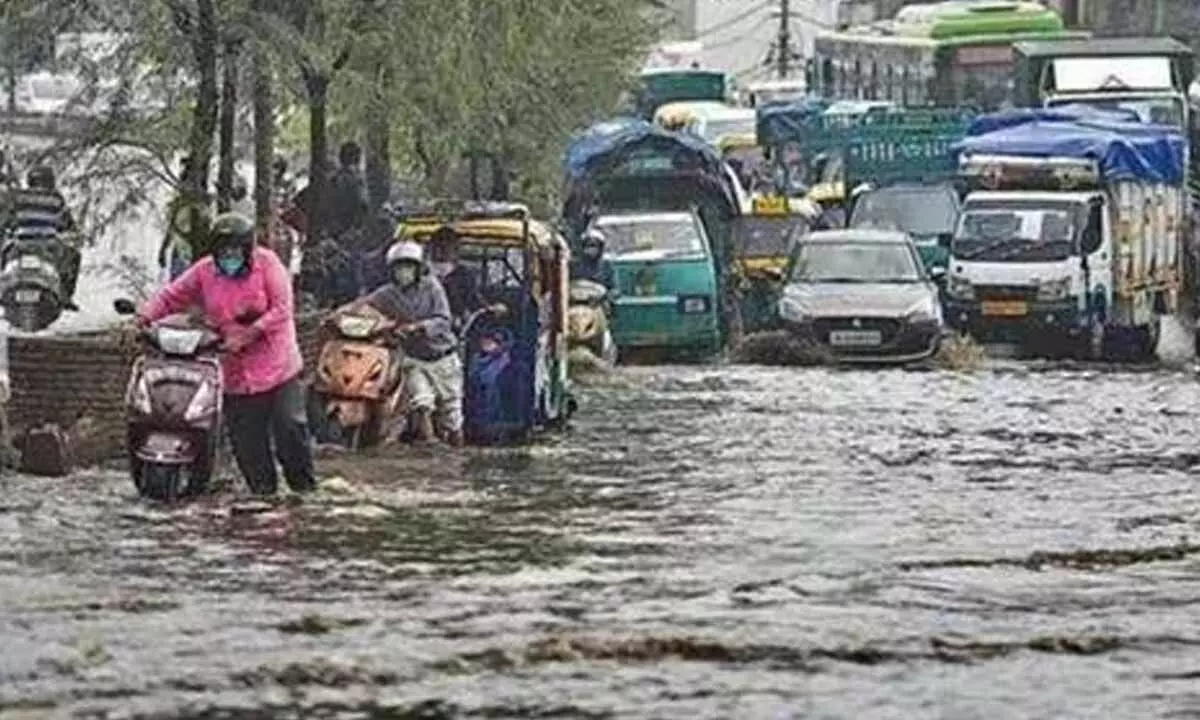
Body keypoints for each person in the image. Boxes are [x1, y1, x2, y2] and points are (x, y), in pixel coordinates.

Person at [136, 212, 315, 496]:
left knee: (289, 428)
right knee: (249, 445)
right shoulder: (204, 271)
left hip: (277, 366)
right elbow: (172, 296)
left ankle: (304, 489)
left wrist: (251, 332)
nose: (229, 258)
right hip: (235, 373)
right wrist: (144, 315)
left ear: (248, 251)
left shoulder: (269, 265)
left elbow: (282, 309)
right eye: (223, 252)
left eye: (235, 252)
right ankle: (264, 495)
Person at [361, 240, 463, 446]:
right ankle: (430, 443)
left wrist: (419, 327)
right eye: (399, 267)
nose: (403, 272)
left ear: (418, 268)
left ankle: (457, 449)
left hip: (442, 358)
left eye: (408, 267)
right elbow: (364, 305)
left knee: (452, 415)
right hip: (414, 359)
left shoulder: (432, 288)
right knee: (421, 402)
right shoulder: (387, 294)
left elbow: (444, 319)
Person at [7, 165, 82, 310]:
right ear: (50, 181)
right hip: (48, 245)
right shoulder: (56, 198)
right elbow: (67, 224)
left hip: (21, 244)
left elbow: (9, 220)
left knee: (4, 257)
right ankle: (66, 296)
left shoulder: (18, 197)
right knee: (74, 257)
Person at [159, 156, 212, 280]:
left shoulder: (205, 204)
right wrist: (163, 248)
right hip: (179, 251)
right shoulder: (178, 203)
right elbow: (171, 226)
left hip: (196, 251)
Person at [428, 225, 484, 325]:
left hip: (456, 326)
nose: (443, 247)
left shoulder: (464, 274)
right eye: (439, 242)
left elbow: (474, 301)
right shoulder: (421, 273)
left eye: (448, 242)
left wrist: (490, 308)